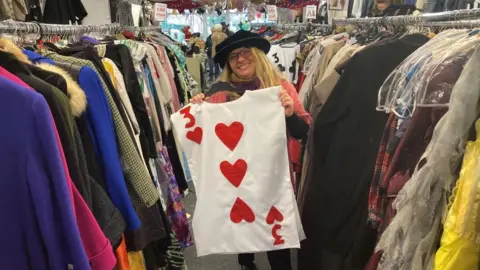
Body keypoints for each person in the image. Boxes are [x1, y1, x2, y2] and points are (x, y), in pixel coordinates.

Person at [190, 30, 311, 270]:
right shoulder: (220, 93)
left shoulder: (280, 88)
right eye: (233, 56)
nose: (241, 59)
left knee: (277, 239)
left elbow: (304, 130)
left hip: (272, 180)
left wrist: (289, 115)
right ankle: (247, 263)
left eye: (246, 53)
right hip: (237, 180)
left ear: (257, 55)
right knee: (242, 231)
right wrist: (198, 109)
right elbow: (205, 137)